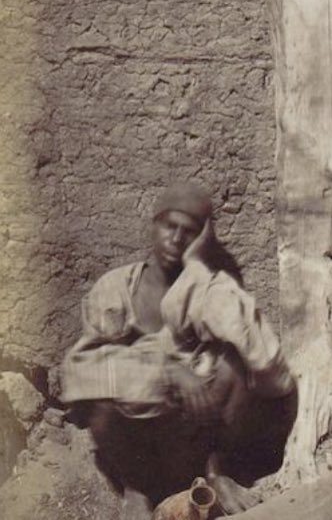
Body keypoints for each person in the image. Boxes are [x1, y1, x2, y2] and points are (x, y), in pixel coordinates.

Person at [60, 182, 295, 519]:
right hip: (138, 431)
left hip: (192, 430)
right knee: (100, 397)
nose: (176, 238)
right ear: (153, 225)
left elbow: (261, 353)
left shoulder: (205, 288)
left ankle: (218, 472)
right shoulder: (116, 288)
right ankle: (136, 487)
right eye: (169, 226)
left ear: (201, 239)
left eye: (190, 232)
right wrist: (168, 370)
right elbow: (85, 365)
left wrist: (197, 266)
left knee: (233, 365)